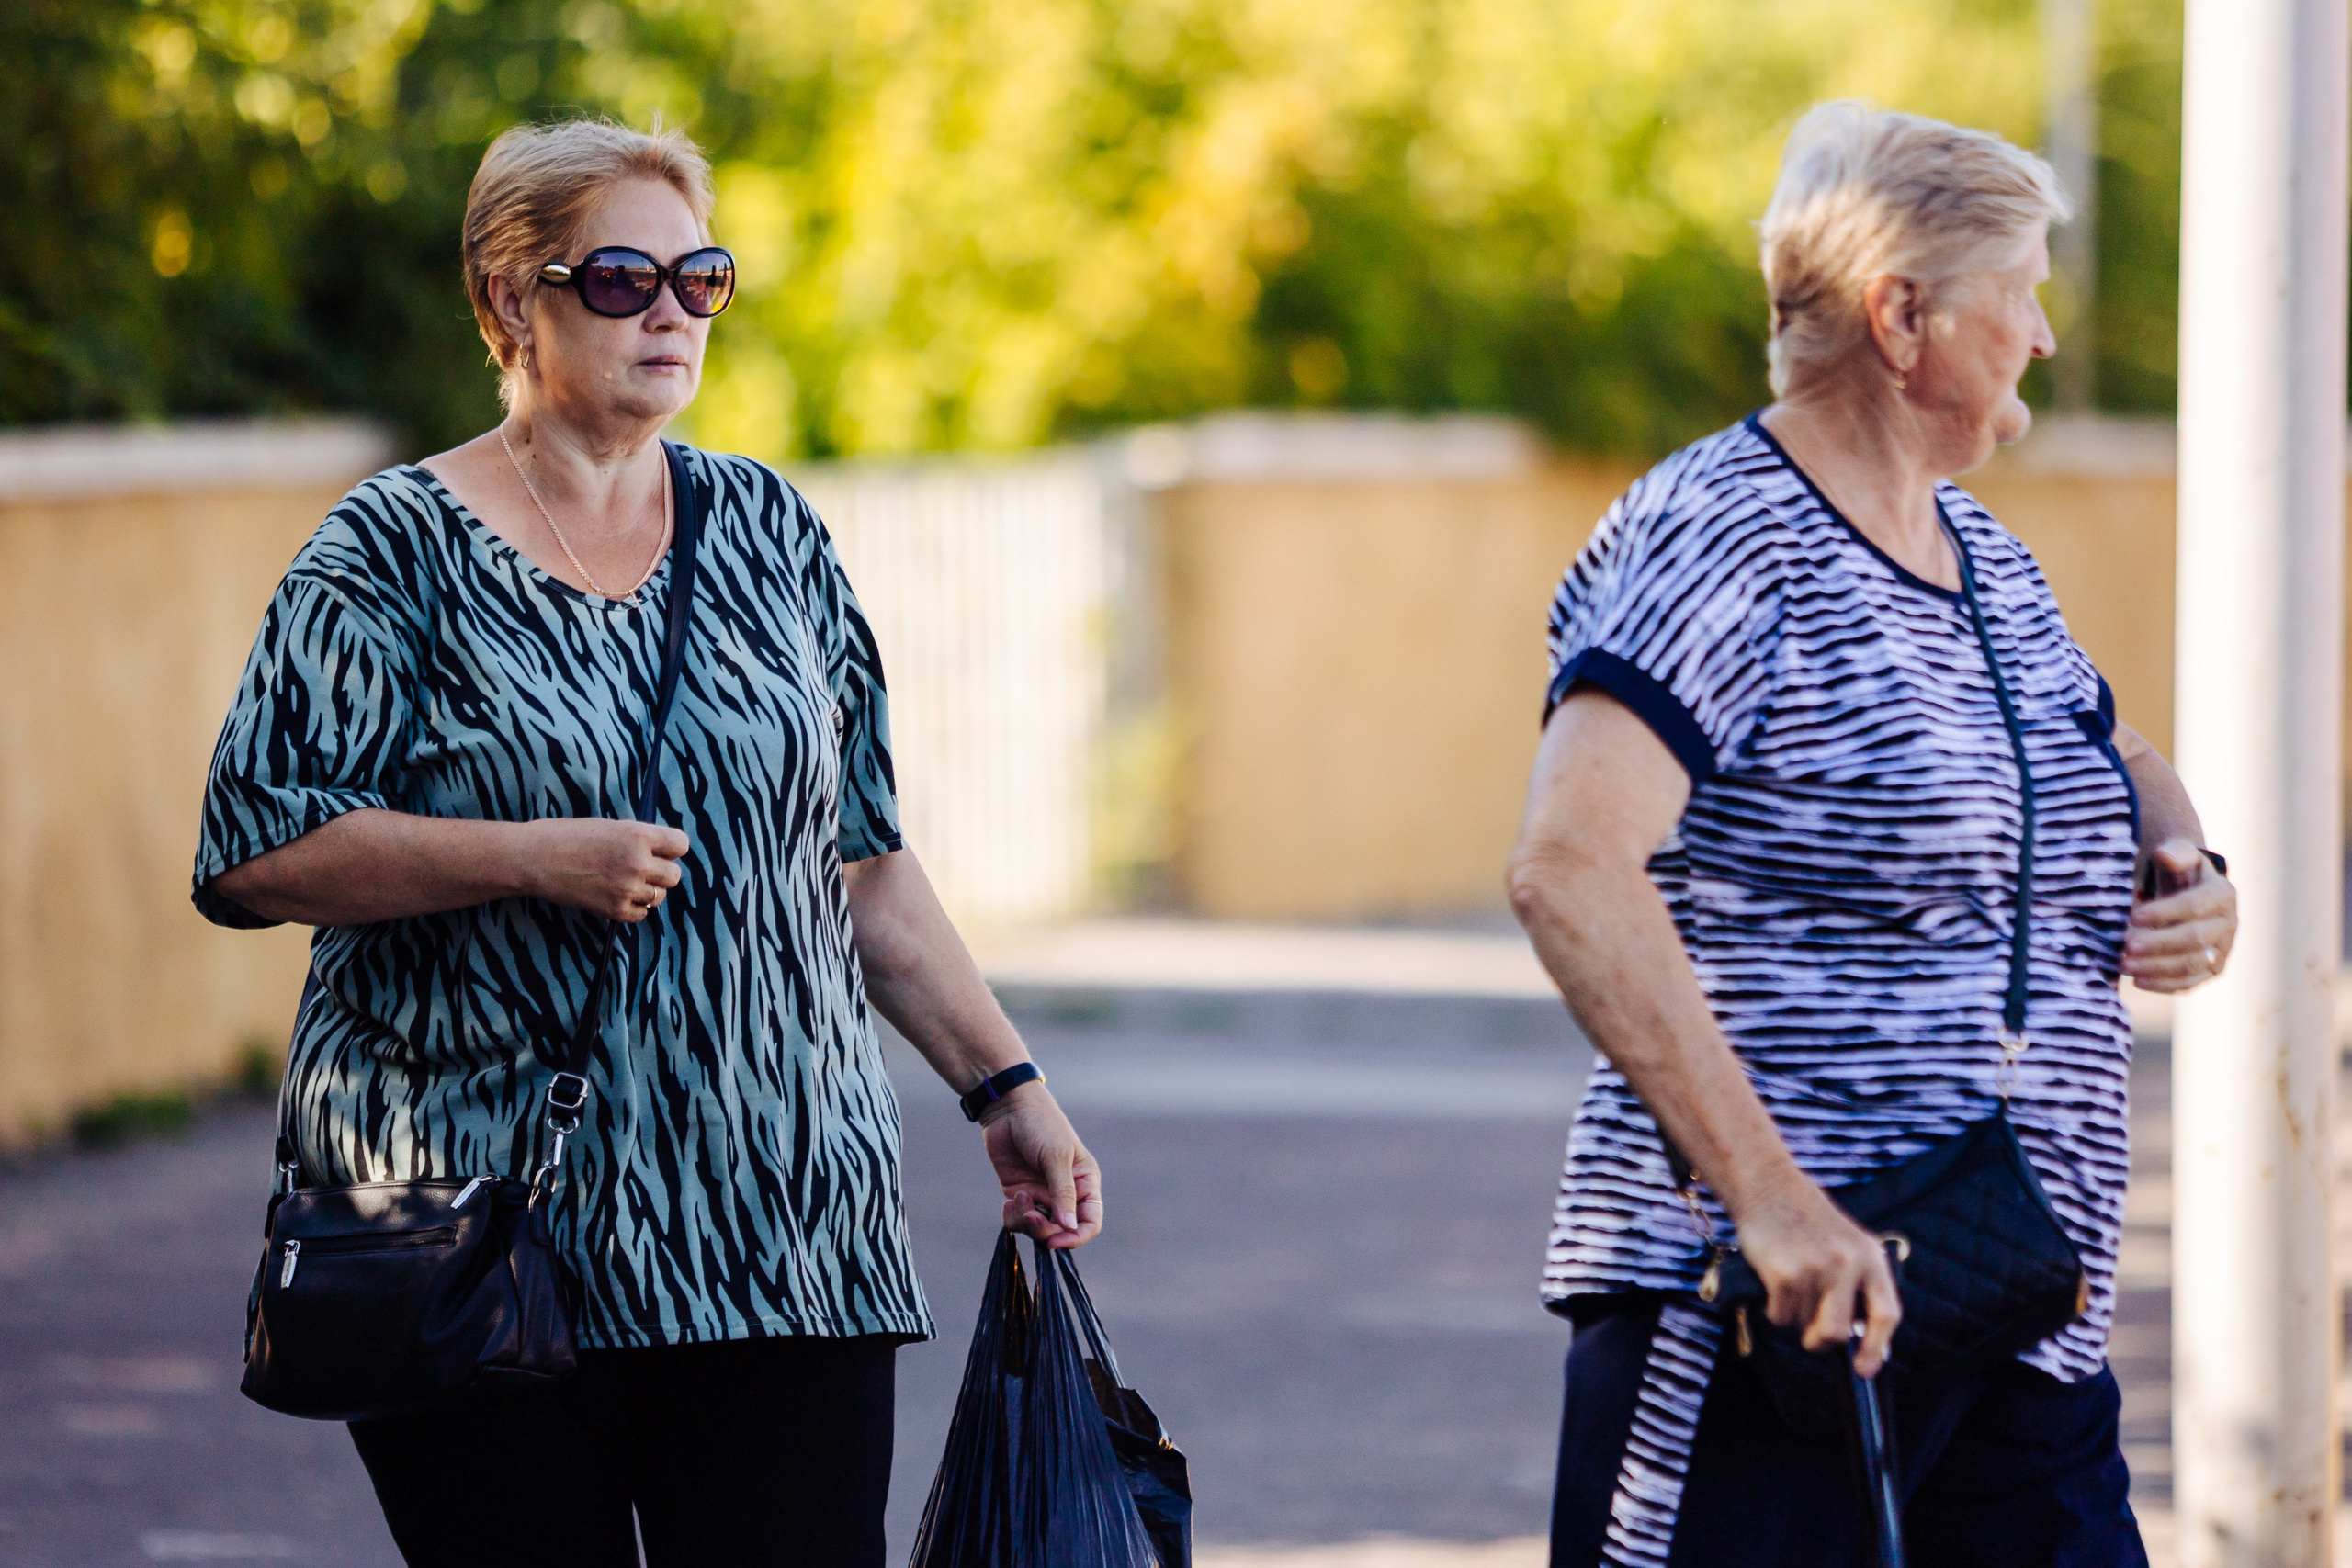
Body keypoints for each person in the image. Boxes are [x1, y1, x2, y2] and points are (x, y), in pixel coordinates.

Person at [192, 118, 1102, 1568]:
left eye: (702, 278)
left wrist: (1005, 1082)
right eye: (622, 279)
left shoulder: (771, 532)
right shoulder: (386, 554)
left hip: (781, 1217)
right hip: (480, 1228)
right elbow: (253, 846)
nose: (671, 311)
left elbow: (861, 857)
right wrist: (527, 856)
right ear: (510, 301)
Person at [1508, 102, 2235, 1568]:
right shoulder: (1720, 535)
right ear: (1902, 314)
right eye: (2020, 291)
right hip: (1777, 1326)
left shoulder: (1984, 557)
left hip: (2018, 1312)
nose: (2040, 334)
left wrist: (2189, 873)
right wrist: (1774, 1206)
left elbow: (2106, 746)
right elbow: (1571, 866)